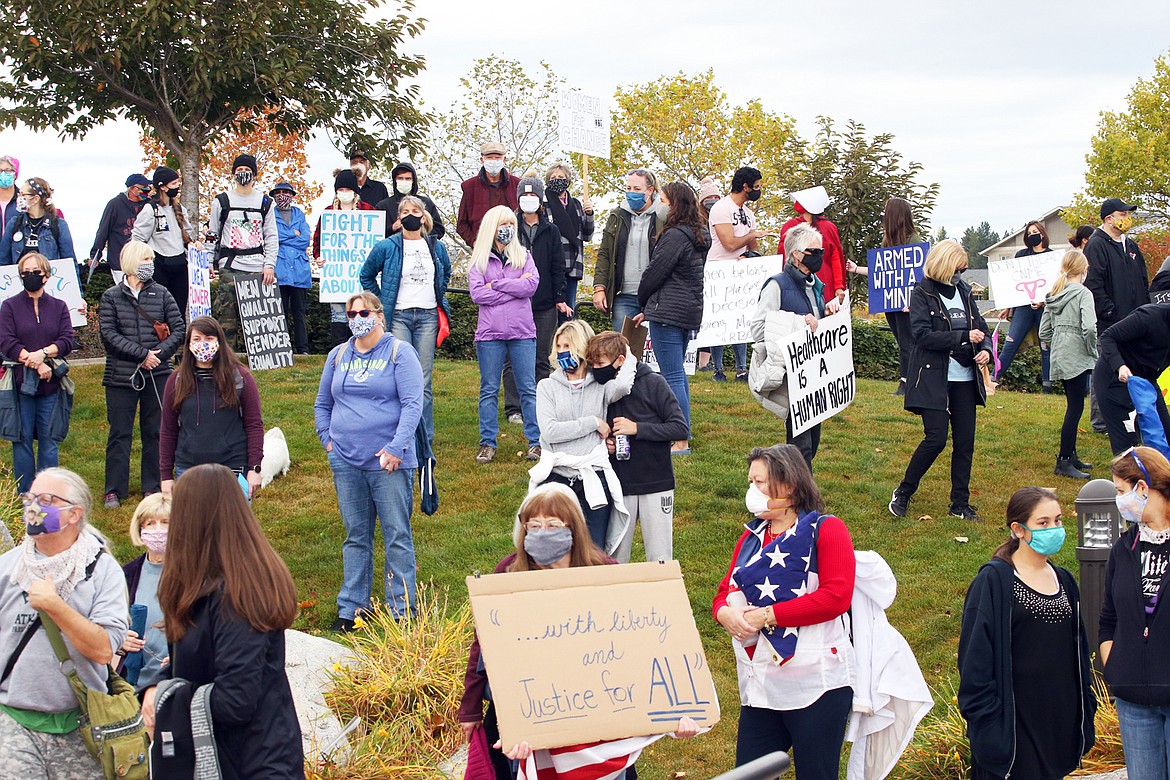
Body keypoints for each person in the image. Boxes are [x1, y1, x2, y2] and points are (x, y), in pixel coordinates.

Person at [459, 483, 693, 779]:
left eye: (553, 525)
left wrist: (674, 708)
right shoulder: (508, 573)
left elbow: (636, 644)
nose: (543, 532)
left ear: (573, 527)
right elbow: (484, 644)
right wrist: (470, 708)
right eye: (534, 526)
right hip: (529, 704)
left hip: (593, 706)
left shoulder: (604, 571)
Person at [142, 463, 302, 778]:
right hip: (222, 754)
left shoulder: (239, 593)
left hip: (254, 763)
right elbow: (185, 663)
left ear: (192, 518)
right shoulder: (202, 583)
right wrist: (153, 686)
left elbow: (236, 700)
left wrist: (169, 700)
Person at [712, 444, 855, 779]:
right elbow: (723, 592)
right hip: (761, 686)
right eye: (751, 482)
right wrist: (725, 615)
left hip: (816, 685)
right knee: (749, 774)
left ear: (789, 484)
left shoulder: (826, 529)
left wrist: (768, 616)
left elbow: (836, 597)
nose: (753, 490)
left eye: (761, 482)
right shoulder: (751, 536)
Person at [958, 487, 1096, 780]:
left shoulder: (1065, 581)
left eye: (1058, 521)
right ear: (1018, 529)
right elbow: (974, 663)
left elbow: (1079, 654)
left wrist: (1085, 711)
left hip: (1058, 728)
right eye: (1043, 523)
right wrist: (988, 727)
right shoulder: (994, 581)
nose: (1054, 529)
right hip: (1012, 731)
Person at [0, 468, 129, 776]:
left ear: (74, 514)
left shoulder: (103, 571)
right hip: (13, 721)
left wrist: (55, 606)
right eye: (30, 497)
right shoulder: (7, 568)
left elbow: (102, 650)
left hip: (82, 725)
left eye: (45, 499)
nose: (33, 506)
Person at [314, 291, 423, 630]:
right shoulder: (338, 354)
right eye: (351, 313)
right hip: (346, 460)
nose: (357, 318)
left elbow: (413, 406)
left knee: (397, 535)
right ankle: (352, 608)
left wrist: (395, 448)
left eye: (363, 312)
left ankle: (402, 610)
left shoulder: (400, 353)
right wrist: (328, 441)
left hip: (389, 461)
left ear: (379, 315)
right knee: (356, 535)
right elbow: (322, 404)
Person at [889, 239, 992, 522]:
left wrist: (984, 351)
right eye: (958, 268)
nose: (961, 273)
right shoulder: (922, 293)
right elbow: (920, 334)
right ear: (945, 266)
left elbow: (982, 330)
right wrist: (961, 337)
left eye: (964, 269)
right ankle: (904, 491)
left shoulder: (965, 292)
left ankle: (960, 503)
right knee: (935, 439)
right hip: (933, 377)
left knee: (965, 443)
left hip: (965, 379)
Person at [531, 320, 634, 550]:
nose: (561, 352)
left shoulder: (602, 386)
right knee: (554, 551)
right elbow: (550, 431)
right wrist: (593, 422)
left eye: (567, 345)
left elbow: (625, 383)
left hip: (594, 479)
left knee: (593, 550)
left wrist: (626, 350)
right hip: (557, 479)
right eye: (558, 346)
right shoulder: (547, 386)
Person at [359, 195, 452, 450]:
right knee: (400, 376)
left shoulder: (436, 247)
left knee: (423, 380)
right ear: (399, 218)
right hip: (397, 316)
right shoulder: (387, 246)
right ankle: (401, 435)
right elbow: (366, 274)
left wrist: (437, 295)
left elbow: (445, 274)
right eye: (405, 211)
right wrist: (380, 301)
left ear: (424, 216)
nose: (411, 214)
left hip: (428, 317)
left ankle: (425, 439)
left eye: (416, 210)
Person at [98, 240, 186, 509]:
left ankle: (153, 485)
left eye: (151, 259)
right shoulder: (111, 297)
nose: (150, 264)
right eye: (145, 259)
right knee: (119, 433)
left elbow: (179, 328)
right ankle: (114, 489)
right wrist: (141, 355)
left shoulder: (162, 293)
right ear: (131, 263)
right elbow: (109, 335)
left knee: (155, 431)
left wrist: (157, 354)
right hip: (120, 377)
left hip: (158, 374)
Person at [748, 223, 843, 467]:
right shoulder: (777, 285)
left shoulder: (816, 286)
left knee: (811, 443)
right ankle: (803, 500)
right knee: (801, 447)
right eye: (814, 252)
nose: (819, 256)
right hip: (793, 377)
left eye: (821, 251)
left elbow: (815, 327)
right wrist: (798, 322)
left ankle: (798, 495)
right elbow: (758, 328)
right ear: (795, 255)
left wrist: (829, 316)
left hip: (814, 376)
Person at [1101, 446, 1170, 779]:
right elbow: (1108, 618)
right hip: (1133, 703)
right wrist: (1115, 666)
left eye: (1120, 491)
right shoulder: (1123, 548)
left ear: (1143, 488)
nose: (1119, 501)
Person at [589, 331, 686, 563]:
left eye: (600, 363)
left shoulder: (654, 382)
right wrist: (607, 445)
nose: (595, 368)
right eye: (592, 363)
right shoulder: (600, 388)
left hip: (656, 481)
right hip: (620, 483)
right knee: (616, 554)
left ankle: (661, 597)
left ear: (620, 360)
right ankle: (617, 597)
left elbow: (679, 428)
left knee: (660, 554)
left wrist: (638, 429)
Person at [159, 316, 265, 497]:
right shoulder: (176, 381)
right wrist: (165, 475)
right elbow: (168, 430)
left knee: (233, 525)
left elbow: (254, 425)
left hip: (232, 467)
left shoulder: (241, 377)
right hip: (189, 467)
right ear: (189, 344)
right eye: (197, 339)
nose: (203, 344)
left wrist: (255, 468)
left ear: (219, 341)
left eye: (209, 339)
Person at [637, 181, 707, 454]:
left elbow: (655, 272)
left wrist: (643, 299)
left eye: (663, 201)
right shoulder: (697, 234)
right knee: (677, 373)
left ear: (674, 204)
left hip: (668, 310)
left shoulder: (675, 236)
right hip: (687, 310)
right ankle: (683, 429)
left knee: (672, 375)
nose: (660, 206)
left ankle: (680, 439)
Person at [469, 205, 541, 464]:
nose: (507, 229)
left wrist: (497, 285)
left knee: (527, 388)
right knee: (489, 388)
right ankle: (487, 442)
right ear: (491, 227)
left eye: (510, 223)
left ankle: (536, 442)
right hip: (489, 334)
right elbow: (478, 294)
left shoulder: (524, 255)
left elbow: (531, 285)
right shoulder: (479, 260)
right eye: (502, 224)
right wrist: (514, 289)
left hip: (522, 332)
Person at [0, 253, 74, 492]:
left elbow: (66, 341)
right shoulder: (9, 306)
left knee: (49, 440)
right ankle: (24, 494)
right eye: (25, 272)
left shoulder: (59, 306)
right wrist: (35, 362)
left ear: (47, 275)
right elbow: (6, 341)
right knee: (21, 440)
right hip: (20, 383)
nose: (30, 276)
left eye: (36, 272)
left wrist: (43, 354)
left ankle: (48, 492)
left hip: (51, 384)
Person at [501, 175, 567, 426]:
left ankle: (540, 404)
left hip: (543, 304)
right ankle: (513, 408)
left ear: (540, 199)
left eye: (533, 195)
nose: (529, 199)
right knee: (512, 359)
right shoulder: (510, 229)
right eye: (524, 195)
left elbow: (558, 267)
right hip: (513, 303)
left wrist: (559, 297)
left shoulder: (551, 231)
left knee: (541, 358)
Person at [847, 198, 920, 396]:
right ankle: (909, 381)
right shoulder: (887, 242)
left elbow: (920, 273)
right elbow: (882, 271)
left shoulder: (914, 241)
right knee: (902, 341)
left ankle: (908, 382)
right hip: (892, 301)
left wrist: (913, 301)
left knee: (907, 343)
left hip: (906, 303)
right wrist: (857, 269)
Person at [208, 153, 278, 350]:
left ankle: (262, 358)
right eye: (239, 170)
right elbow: (212, 233)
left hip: (257, 264)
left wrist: (269, 265)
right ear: (233, 173)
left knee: (260, 319)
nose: (243, 174)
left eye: (247, 171)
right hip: (230, 264)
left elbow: (271, 236)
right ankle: (227, 357)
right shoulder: (222, 201)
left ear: (254, 174)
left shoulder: (265, 203)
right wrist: (208, 262)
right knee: (226, 317)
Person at [708, 167, 771, 381]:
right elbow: (729, 243)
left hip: (741, 272)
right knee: (719, 320)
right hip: (719, 269)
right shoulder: (721, 208)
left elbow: (751, 246)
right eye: (756, 186)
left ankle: (742, 368)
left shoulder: (749, 214)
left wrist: (752, 257)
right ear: (745, 186)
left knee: (741, 320)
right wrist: (752, 234)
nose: (758, 190)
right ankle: (718, 369)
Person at [1039, 249, 1097, 479]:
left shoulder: (1055, 292)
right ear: (1083, 270)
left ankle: (1071, 455)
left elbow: (1044, 330)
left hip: (1061, 354)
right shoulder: (1083, 294)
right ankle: (1064, 460)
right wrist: (1091, 349)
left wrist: (1059, 341)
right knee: (1075, 408)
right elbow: (1090, 327)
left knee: (1072, 404)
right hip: (1077, 354)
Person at [593, 169, 669, 329]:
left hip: (656, 296)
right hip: (624, 295)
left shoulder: (663, 217)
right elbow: (605, 254)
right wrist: (599, 288)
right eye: (628, 188)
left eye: (637, 189)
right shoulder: (616, 216)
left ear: (650, 191)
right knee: (624, 349)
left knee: (655, 350)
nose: (631, 193)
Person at [1094, 302, 1170, 455]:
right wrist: (1120, 365)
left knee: (1165, 435)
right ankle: (1129, 478)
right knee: (1127, 450)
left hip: (1146, 381)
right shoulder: (1149, 317)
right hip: (1116, 378)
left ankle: (1159, 476)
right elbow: (1108, 336)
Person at [314, 169, 378, 348]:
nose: (344, 193)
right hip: (337, 277)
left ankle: (363, 349)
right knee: (339, 316)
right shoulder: (327, 213)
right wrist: (319, 257)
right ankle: (339, 353)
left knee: (361, 312)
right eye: (340, 190)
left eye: (347, 189)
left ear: (355, 191)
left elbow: (376, 243)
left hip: (360, 276)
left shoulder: (369, 211)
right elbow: (318, 241)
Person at [119, 493, 172, 695]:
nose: (158, 529)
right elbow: (108, 623)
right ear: (140, 528)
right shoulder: (127, 575)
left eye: (165, 522)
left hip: (175, 684)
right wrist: (119, 640)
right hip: (134, 685)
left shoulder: (194, 574)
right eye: (150, 523)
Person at [996, 220, 1053, 389]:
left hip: (1044, 309)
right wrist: (1007, 307)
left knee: (1046, 346)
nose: (1033, 235)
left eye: (1035, 232)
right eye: (1029, 233)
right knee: (1011, 342)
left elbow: (1056, 285)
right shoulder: (1021, 255)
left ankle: (1047, 385)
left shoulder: (1052, 256)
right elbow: (1013, 284)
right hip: (1023, 307)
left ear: (1042, 234)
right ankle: (993, 378)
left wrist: (1043, 301)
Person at [132, 166, 195, 318]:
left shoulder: (179, 208)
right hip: (159, 265)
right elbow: (138, 238)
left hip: (180, 265)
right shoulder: (150, 209)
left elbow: (188, 235)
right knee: (160, 311)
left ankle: (178, 340)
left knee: (178, 311)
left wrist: (194, 244)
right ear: (162, 186)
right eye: (173, 184)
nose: (177, 187)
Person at [544, 162, 594, 318]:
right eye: (553, 177)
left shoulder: (577, 205)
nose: (557, 180)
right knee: (547, 312)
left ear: (568, 180)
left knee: (567, 312)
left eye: (561, 177)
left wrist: (590, 214)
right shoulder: (544, 205)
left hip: (572, 265)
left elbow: (587, 235)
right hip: (550, 266)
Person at [781, 185, 846, 304]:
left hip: (823, 282)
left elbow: (835, 257)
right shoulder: (791, 226)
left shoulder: (828, 227)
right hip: (798, 281)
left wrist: (838, 286)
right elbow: (783, 257)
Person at [271, 182, 312, 355]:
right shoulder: (270, 215)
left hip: (299, 271)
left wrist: (284, 238)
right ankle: (282, 349)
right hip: (279, 271)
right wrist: (292, 234)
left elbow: (305, 239)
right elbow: (272, 237)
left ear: (292, 195)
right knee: (279, 313)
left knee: (299, 313)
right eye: (278, 192)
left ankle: (303, 349)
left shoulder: (299, 214)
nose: (282, 195)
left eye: (286, 192)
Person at [89, 173, 152, 285]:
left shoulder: (149, 205)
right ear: (132, 188)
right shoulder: (115, 205)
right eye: (143, 188)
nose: (146, 190)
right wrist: (95, 255)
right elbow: (103, 230)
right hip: (120, 262)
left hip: (142, 260)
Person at [3, 177, 76, 267]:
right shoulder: (14, 224)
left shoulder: (58, 225)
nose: (19, 198)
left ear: (35, 199)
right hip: (19, 279)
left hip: (50, 279)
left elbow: (70, 262)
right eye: (19, 194)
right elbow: (3, 261)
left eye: (23, 194)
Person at [456, 142, 519, 246]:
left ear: (504, 160)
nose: (493, 161)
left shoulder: (517, 185)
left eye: (497, 157)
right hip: (483, 249)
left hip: (513, 246)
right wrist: (474, 242)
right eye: (489, 158)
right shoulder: (470, 187)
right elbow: (462, 224)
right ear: (482, 160)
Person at [373, 161, 445, 240]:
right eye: (400, 178)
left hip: (421, 249)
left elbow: (439, 230)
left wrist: (419, 236)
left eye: (408, 179)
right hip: (392, 249)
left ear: (413, 181)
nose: (404, 181)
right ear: (395, 181)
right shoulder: (383, 206)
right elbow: (375, 233)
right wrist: (392, 228)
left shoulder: (426, 203)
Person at [0, 155, 17, 243]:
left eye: (7, 170)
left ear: (15, 174)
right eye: (0, 171)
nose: (3, 174)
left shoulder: (23, 200)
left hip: (16, 252)